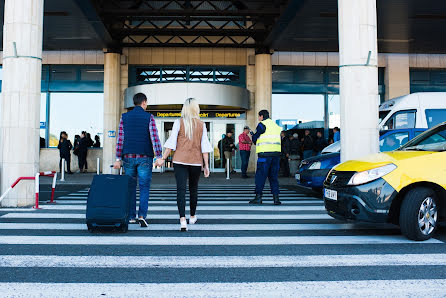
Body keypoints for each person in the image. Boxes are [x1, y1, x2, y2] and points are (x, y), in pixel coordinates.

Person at [155, 98, 211, 231]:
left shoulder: (178, 122)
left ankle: (182, 220)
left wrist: (163, 158)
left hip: (180, 160)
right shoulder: (201, 124)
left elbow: (171, 143)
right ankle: (192, 217)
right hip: (196, 161)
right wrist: (206, 165)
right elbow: (205, 147)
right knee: (193, 189)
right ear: (196, 108)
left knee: (181, 190)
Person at [113, 93, 162, 228]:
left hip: (128, 156)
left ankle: (131, 217)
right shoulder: (149, 117)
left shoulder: (124, 117)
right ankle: (142, 215)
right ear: (144, 103)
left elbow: (120, 140)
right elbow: (155, 138)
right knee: (144, 187)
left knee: (131, 187)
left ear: (134, 103)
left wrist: (118, 158)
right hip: (145, 156)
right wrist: (159, 156)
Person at [249, 110, 282, 205]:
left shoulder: (262, 124)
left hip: (265, 155)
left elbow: (255, 139)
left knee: (260, 176)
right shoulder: (276, 126)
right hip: (276, 155)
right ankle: (276, 199)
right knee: (274, 177)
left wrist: (253, 136)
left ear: (262, 116)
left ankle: (258, 198)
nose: (258, 118)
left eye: (259, 116)